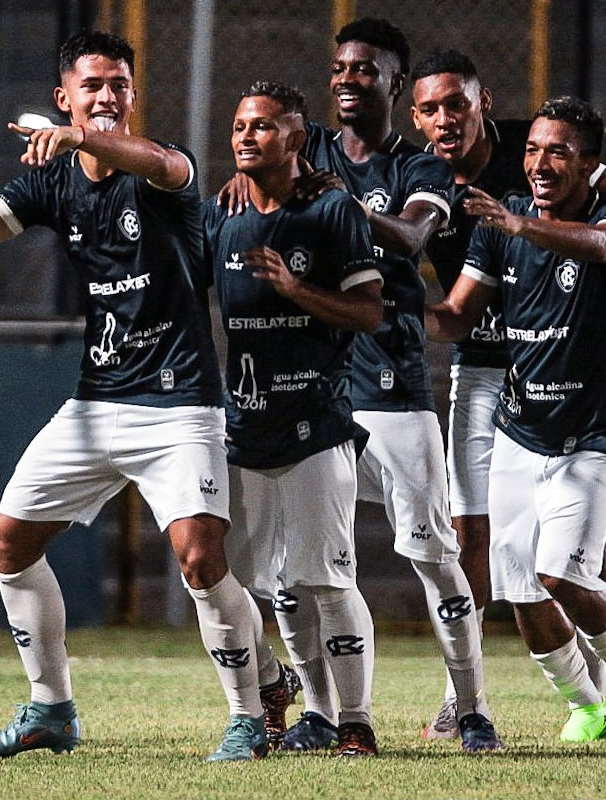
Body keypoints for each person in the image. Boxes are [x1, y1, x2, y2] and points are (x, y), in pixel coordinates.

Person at [0, 31, 276, 763]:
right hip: (98, 404)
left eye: (119, 85)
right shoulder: (49, 182)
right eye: (92, 86)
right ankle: (51, 710)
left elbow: (164, 163)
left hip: (178, 403)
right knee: (8, 544)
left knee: (199, 558)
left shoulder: (162, 168)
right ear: (64, 95)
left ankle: (250, 715)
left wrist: (75, 138)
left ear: (132, 96)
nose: (107, 97)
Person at [409, 48, 606, 741]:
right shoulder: (490, 213)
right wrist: (389, 317)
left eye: (559, 154)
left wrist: (522, 224)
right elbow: (456, 314)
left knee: (563, 575)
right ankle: (586, 704)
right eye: (537, 152)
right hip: (520, 425)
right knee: (517, 589)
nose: (542, 163)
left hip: (593, 434)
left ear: (585, 164)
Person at [284, 17, 500, 752]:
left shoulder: (420, 168)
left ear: (394, 84)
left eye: (365, 69)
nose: (348, 79)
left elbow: (408, 237)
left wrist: (330, 204)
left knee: (432, 553)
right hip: (311, 382)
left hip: (390, 383)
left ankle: (471, 708)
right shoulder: (306, 146)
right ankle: (327, 713)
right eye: (340, 67)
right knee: (302, 565)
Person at [206, 81, 384, 757]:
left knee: (327, 581)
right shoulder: (221, 217)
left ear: (297, 139)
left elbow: (369, 313)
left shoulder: (332, 212)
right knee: (240, 588)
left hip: (316, 426)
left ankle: (357, 721)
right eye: (240, 125)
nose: (247, 135)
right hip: (245, 431)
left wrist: (295, 289)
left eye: (263, 126)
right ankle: (278, 696)